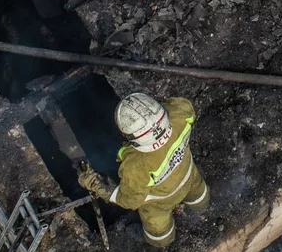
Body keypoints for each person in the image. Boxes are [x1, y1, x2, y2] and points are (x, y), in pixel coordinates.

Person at [78, 93, 208, 249]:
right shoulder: (180, 112)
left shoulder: (136, 165)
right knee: (198, 192)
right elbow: (184, 107)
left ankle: (161, 241)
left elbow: (130, 200)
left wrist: (96, 184)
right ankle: (201, 207)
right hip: (187, 175)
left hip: (159, 203)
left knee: (158, 227)